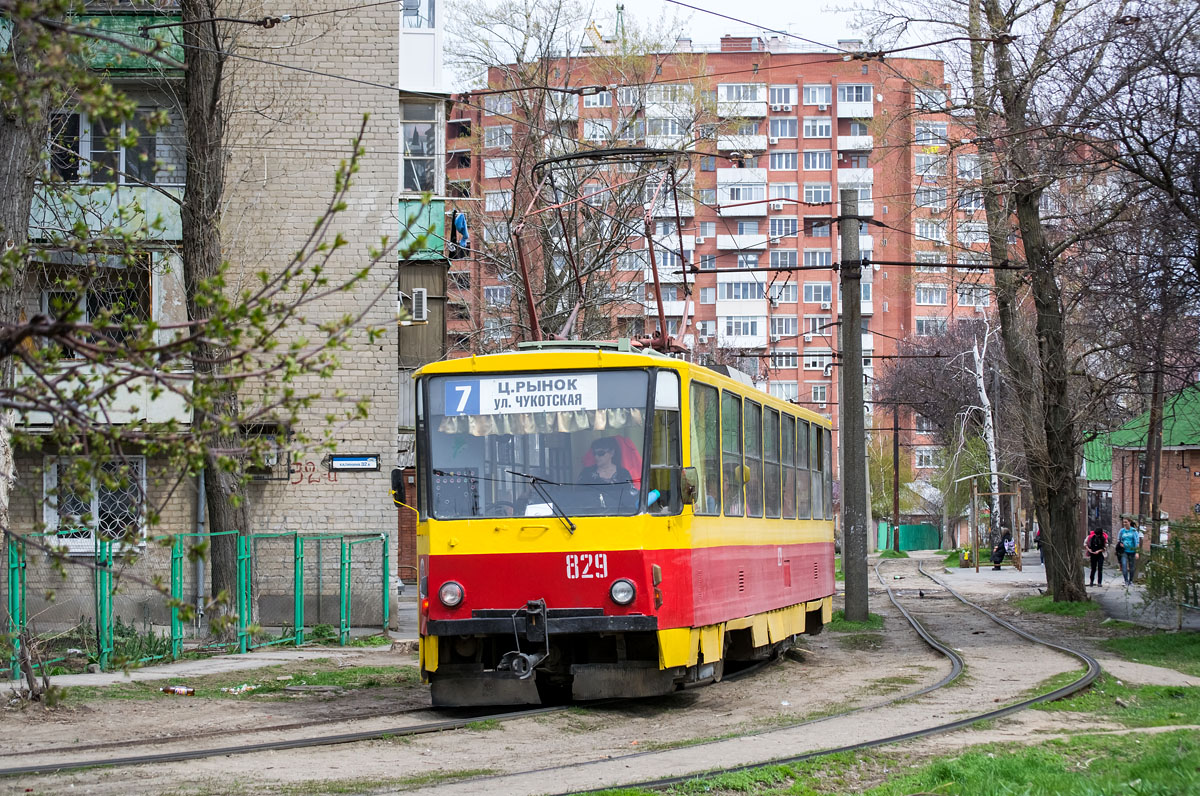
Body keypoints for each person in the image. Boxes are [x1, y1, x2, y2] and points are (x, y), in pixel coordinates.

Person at [577, 437, 635, 511]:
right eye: (594, 453)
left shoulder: (623, 473)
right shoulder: (586, 473)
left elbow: (630, 498)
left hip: (619, 517)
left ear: (612, 453)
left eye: (600, 453)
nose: (596, 457)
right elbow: (578, 497)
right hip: (592, 517)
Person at [1117, 518, 1142, 586]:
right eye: (1123, 522)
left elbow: (1137, 542)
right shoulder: (1122, 531)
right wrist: (1120, 544)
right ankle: (1126, 581)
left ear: (1130, 522)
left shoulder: (1134, 531)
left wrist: (1137, 552)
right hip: (1124, 551)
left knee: (1132, 567)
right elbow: (1119, 539)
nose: (1124, 524)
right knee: (1124, 565)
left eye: (1126, 522)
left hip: (1132, 551)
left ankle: (1131, 580)